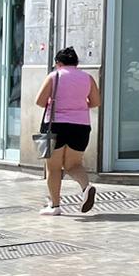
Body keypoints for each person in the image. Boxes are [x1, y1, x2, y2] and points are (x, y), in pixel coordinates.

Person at [33, 48, 100, 216]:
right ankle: (87, 187)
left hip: (54, 125)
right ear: (76, 63)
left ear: (58, 63)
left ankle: (54, 206)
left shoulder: (54, 76)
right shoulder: (87, 78)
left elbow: (39, 101)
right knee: (73, 165)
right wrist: (78, 104)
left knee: (53, 167)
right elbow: (95, 102)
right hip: (81, 126)